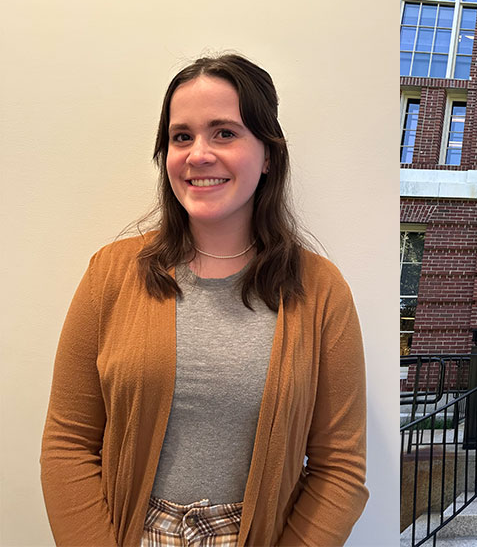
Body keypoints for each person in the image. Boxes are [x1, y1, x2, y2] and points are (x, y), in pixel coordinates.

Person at [40, 54, 369, 546]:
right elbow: (67, 445)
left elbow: (339, 467)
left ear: (269, 155)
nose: (198, 154)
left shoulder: (321, 290)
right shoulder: (110, 274)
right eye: (181, 136)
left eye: (224, 133)